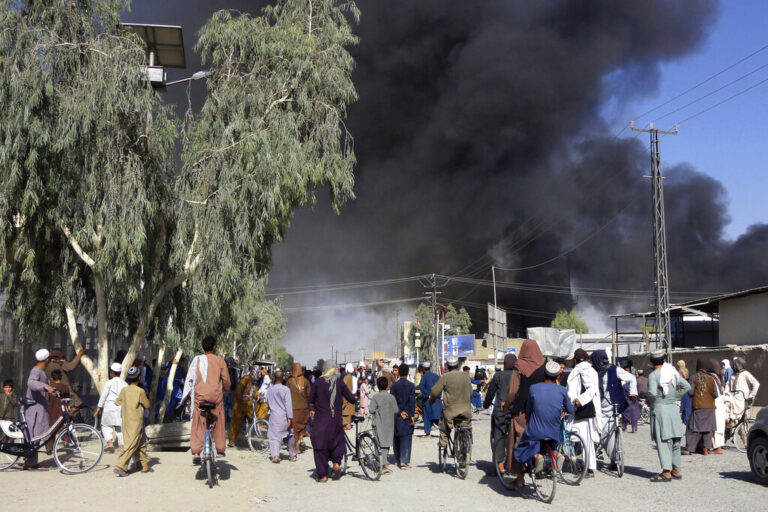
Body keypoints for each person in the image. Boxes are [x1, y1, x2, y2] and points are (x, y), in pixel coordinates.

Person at [513, 361, 573, 471]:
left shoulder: (533, 388)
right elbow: (570, 409)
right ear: (558, 376)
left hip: (536, 430)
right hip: (554, 430)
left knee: (523, 446)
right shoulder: (562, 390)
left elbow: (528, 409)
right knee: (550, 443)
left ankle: (537, 456)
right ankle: (558, 455)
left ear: (544, 374)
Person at [182, 335, 231, 463]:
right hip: (215, 398)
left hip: (200, 397)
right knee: (219, 419)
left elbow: (190, 379)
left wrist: (187, 395)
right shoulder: (220, 361)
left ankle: (197, 452)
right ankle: (220, 450)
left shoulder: (197, 360)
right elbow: (226, 380)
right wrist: (226, 391)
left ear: (203, 347)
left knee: (198, 422)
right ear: (214, 347)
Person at [504, 339, 546, 488]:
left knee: (516, 439)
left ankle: (519, 477)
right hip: (540, 409)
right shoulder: (544, 365)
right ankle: (538, 463)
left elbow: (513, 390)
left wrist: (507, 404)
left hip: (522, 410)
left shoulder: (519, 366)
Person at [308, 360, 357, 482]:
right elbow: (351, 398)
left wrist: (314, 408)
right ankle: (336, 464)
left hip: (321, 420)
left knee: (320, 446)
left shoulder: (318, 383)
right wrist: (355, 399)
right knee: (337, 442)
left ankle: (323, 475)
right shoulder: (339, 382)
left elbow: (310, 399)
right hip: (336, 420)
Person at [647, 350, 691, 482]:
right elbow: (687, 386)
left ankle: (666, 472)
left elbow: (652, 394)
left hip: (661, 410)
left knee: (663, 441)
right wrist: (673, 397)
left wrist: (656, 402)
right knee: (676, 441)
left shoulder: (654, 375)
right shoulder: (672, 372)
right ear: (665, 359)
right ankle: (676, 470)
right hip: (673, 409)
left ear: (652, 362)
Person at [590, 349, 637, 469]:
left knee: (610, 434)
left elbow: (631, 378)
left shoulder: (614, 369)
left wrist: (633, 393)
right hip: (597, 407)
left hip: (612, 406)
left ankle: (614, 459)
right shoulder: (591, 372)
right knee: (600, 433)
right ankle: (611, 458)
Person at [429, 356, 473, 465]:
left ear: (447, 366)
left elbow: (434, 392)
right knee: (466, 427)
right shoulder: (466, 376)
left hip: (451, 410)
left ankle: (443, 442)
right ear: (457, 365)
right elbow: (470, 393)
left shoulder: (445, 377)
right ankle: (464, 455)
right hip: (466, 410)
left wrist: (431, 401)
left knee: (444, 426)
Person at [566, 348, 601, 478]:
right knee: (588, 440)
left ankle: (587, 468)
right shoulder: (592, 371)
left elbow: (571, 392)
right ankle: (590, 467)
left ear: (575, 359)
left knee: (582, 439)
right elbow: (594, 390)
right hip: (592, 410)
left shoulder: (576, 371)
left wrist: (579, 400)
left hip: (580, 410)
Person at [113, 366, 152, 476]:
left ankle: (144, 465)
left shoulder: (124, 390)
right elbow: (147, 404)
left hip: (125, 421)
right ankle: (120, 465)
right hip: (136, 422)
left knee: (140, 443)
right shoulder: (140, 391)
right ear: (139, 378)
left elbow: (117, 402)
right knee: (131, 444)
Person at [483, 353, 516, 475]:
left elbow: (490, 393)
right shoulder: (519, 376)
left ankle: (500, 465)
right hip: (515, 412)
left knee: (498, 436)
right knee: (515, 436)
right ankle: (513, 464)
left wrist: (486, 405)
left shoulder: (498, 376)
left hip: (500, 412)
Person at [24, 349, 56, 470]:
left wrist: (52, 391)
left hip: (40, 409)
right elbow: (31, 383)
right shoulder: (36, 370)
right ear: (47, 359)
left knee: (36, 437)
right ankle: (31, 463)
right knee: (34, 436)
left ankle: (32, 462)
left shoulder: (41, 371)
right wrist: (45, 386)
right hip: (35, 410)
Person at [682, 359, 718, 455]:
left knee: (692, 428)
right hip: (710, 407)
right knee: (707, 429)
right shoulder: (711, 379)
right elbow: (716, 394)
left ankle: (689, 449)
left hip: (698, 407)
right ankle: (706, 449)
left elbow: (690, 392)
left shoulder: (694, 378)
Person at [96, 362, 127, 452]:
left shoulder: (109, 383)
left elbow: (104, 395)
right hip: (120, 407)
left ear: (112, 373)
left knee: (105, 425)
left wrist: (99, 407)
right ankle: (121, 446)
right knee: (119, 428)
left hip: (109, 406)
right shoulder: (125, 384)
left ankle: (109, 443)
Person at [369, 376, 398, 474]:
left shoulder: (376, 397)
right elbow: (396, 410)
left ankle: (380, 464)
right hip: (389, 423)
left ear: (377, 386)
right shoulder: (391, 397)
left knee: (378, 443)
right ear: (387, 386)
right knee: (386, 443)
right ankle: (384, 463)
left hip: (379, 422)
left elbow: (371, 409)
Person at [266, 371, 297, 463]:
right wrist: (290, 417)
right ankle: (292, 455)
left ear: (274, 378)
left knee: (274, 437)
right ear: (283, 378)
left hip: (274, 416)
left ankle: (275, 456)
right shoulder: (286, 389)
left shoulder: (270, 390)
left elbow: (268, 403)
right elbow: (288, 404)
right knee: (289, 435)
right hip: (284, 416)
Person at [391, 363, 416, 469]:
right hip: (408, 414)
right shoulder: (411, 386)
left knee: (396, 436)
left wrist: (400, 412)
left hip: (397, 414)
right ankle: (404, 460)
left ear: (398, 372)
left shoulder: (394, 386)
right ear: (408, 372)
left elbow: (392, 401)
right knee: (407, 436)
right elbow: (412, 401)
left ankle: (397, 458)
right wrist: (412, 415)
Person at [228, 367, 256, 447]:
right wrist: (241, 397)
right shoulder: (246, 378)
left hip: (246, 403)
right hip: (239, 403)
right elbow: (238, 390)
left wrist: (257, 396)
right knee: (236, 422)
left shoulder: (252, 381)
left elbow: (254, 391)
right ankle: (232, 440)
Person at [287, 362, 312, 453]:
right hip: (304, 408)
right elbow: (310, 395)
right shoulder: (306, 381)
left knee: (295, 429)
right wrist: (312, 408)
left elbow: (286, 395)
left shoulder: (289, 382)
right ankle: (301, 439)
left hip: (294, 409)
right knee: (302, 426)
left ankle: (297, 448)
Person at [46, 369, 70, 452]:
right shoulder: (65, 387)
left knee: (50, 431)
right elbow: (67, 399)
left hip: (51, 412)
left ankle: (49, 448)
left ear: (51, 378)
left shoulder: (49, 388)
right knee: (63, 429)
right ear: (62, 377)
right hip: (62, 412)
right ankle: (66, 443)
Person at [418, 362, 442, 438]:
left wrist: (428, 394)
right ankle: (443, 432)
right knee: (438, 416)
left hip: (427, 400)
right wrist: (436, 395)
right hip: (436, 399)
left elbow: (421, 386)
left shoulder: (424, 377)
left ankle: (428, 434)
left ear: (424, 369)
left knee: (427, 417)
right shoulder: (436, 376)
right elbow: (440, 387)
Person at [709, 358, 727, 453]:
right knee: (719, 425)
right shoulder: (719, 376)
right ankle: (718, 446)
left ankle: (717, 448)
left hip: (715, 403)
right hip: (721, 403)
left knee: (716, 425)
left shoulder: (711, 377)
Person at [621, 361, 641, 433]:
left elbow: (635, 388)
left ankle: (634, 428)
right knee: (624, 413)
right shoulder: (622, 378)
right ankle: (624, 427)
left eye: (627, 370)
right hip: (625, 398)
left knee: (633, 413)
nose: (626, 371)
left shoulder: (633, 378)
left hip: (633, 398)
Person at [342, 363, 357, 429]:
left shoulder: (346, 377)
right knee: (349, 413)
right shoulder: (354, 377)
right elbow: (355, 389)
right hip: (352, 397)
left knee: (345, 413)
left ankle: (347, 426)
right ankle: (348, 425)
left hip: (346, 398)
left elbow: (343, 387)